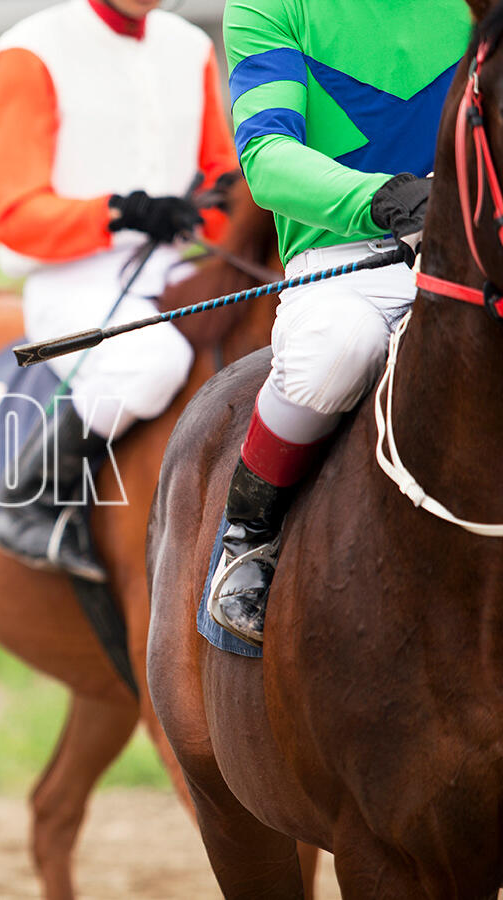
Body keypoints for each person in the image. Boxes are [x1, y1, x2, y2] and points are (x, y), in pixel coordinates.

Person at [207, 0, 471, 643]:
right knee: (336, 349)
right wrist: (379, 197)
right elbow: (267, 156)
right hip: (347, 254)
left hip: (472, 244)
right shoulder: (268, 7)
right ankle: (248, 539)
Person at [0, 0, 238, 581]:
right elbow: (13, 213)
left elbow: (221, 176)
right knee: (151, 361)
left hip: (174, 267)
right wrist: (122, 211)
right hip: (71, 278)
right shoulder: (26, 52)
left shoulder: (190, 45)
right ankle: (29, 500)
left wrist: (208, 211)